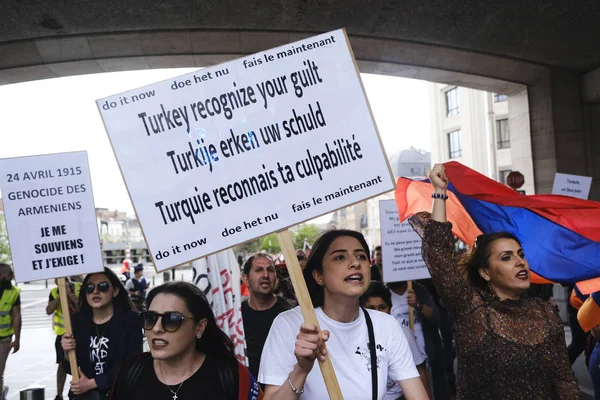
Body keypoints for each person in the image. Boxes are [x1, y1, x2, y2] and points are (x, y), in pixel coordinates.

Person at [408, 163, 580, 399]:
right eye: (506, 257)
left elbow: (565, 380)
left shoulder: (546, 314)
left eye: (521, 255)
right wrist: (439, 193)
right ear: (486, 272)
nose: (520, 262)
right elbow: (438, 254)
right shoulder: (472, 311)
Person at [259, 229, 428, 399]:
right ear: (319, 276)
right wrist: (301, 370)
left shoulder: (386, 326)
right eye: (340, 257)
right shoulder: (288, 325)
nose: (355, 263)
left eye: (361, 256)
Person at [110, 281, 263, 399]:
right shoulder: (130, 373)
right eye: (150, 318)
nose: (156, 328)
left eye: (172, 320)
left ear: (200, 327)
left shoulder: (231, 374)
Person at [61, 267, 142, 399]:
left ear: (115, 291)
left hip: (120, 393)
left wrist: (94, 383)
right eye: (90, 287)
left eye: (103, 286)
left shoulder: (130, 320)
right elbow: (69, 367)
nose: (95, 291)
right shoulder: (77, 322)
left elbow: (132, 363)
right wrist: (66, 351)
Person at [360, 281, 432, 400]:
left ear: (390, 308)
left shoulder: (403, 334)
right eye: (371, 308)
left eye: (382, 307)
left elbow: (420, 371)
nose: (377, 313)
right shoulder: (357, 336)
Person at [387, 280, 448, 400]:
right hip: (400, 357)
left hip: (424, 353)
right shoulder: (384, 293)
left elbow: (435, 315)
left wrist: (418, 304)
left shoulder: (417, 290)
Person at [242, 253, 292, 379]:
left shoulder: (292, 312)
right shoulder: (236, 317)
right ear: (245, 279)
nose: (265, 275)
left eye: (270, 270)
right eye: (259, 270)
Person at [46, 277, 81, 400]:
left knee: (80, 362)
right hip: (62, 334)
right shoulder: (54, 292)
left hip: (80, 332)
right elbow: (49, 310)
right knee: (62, 364)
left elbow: (80, 306)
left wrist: (69, 294)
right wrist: (60, 296)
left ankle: (79, 387)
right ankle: (59, 394)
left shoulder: (78, 287)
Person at [0, 264, 21, 400]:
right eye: (9, 274)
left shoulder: (14, 291)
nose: (11, 277)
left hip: (4, 338)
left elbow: (17, 316)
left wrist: (17, 340)